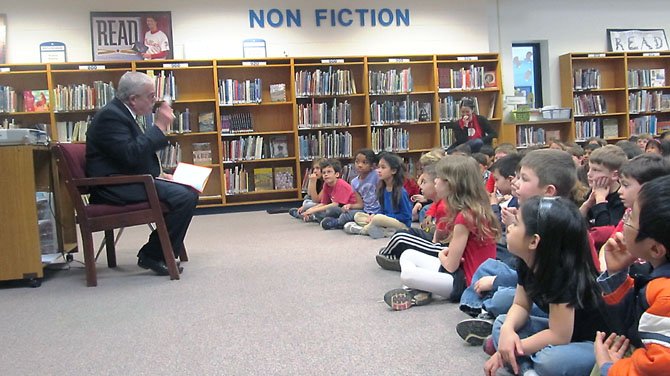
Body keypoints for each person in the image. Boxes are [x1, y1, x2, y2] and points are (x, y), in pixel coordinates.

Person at [86, 71, 199, 276]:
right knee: (184, 196)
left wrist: (158, 175)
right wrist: (160, 126)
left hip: (128, 180)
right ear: (133, 99)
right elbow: (131, 154)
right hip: (113, 187)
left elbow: (127, 156)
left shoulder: (122, 114)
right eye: (150, 96)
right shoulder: (111, 117)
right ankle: (153, 254)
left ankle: (160, 251)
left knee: (188, 190)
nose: (154, 101)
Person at [484, 197, 610, 376]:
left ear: (534, 242)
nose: (509, 227)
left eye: (516, 224)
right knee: (501, 323)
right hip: (559, 334)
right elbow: (520, 305)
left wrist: (508, 347)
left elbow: (559, 336)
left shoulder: (561, 275)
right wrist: (507, 330)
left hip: (591, 343)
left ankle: (520, 364)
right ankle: (527, 369)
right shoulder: (526, 261)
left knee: (549, 361)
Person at [383, 155, 500, 310]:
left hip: (465, 282)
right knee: (408, 254)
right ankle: (421, 290)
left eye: (439, 178)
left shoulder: (464, 217)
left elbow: (451, 266)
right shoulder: (474, 208)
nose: (435, 181)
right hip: (462, 272)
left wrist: (440, 255)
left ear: (451, 184)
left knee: (407, 275)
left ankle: (417, 291)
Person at [594, 175, 670, 375]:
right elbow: (633, 322)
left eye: (630, 217)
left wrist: (608, 367)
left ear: (655, 249)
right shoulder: (656, 277)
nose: (623, 221)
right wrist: (616, 273)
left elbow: (657, 368)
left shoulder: (666, 294)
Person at [375, 163, 447, 271]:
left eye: (424, 182)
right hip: (436, 239)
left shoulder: (445, 205)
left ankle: (395, 256)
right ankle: (395, 255)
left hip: (443, 248)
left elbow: (440, 236)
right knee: (408, 232)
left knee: (400, 238)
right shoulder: (438, 203)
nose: (420, 186)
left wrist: (433, 236)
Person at [344, 152, 412, 238]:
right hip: (385, 222)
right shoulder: (382, 189)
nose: (378, 170)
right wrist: (374, 215)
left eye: (383, 167)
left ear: (393, 171)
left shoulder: (401, 192)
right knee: (358, 216)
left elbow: (406, 216)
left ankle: (363, 230)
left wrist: (381, 216)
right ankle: (382, 231)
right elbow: (382, 209)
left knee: (378, 218)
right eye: (378, 167)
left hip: (401, 225)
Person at [580, 145, 627, 249]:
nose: (589, 174)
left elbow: (604, 234)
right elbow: (576, 224)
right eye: (589, 169)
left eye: (596, 170)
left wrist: (601, 202)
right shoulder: (592, 193)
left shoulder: (623, 199)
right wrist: (587, 205)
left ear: (614, 175)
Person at [320, 149, 380, 230]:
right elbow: (360, 204)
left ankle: (338, 223)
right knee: (339, 212)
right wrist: (350, 206)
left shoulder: (376, 175)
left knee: (346, 217)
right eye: (357, 162)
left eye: (364, 162)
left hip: (379, 211)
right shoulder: (354, 182)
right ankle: (356, 225)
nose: (359, 165)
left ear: (372, 165)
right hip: (364, 211)